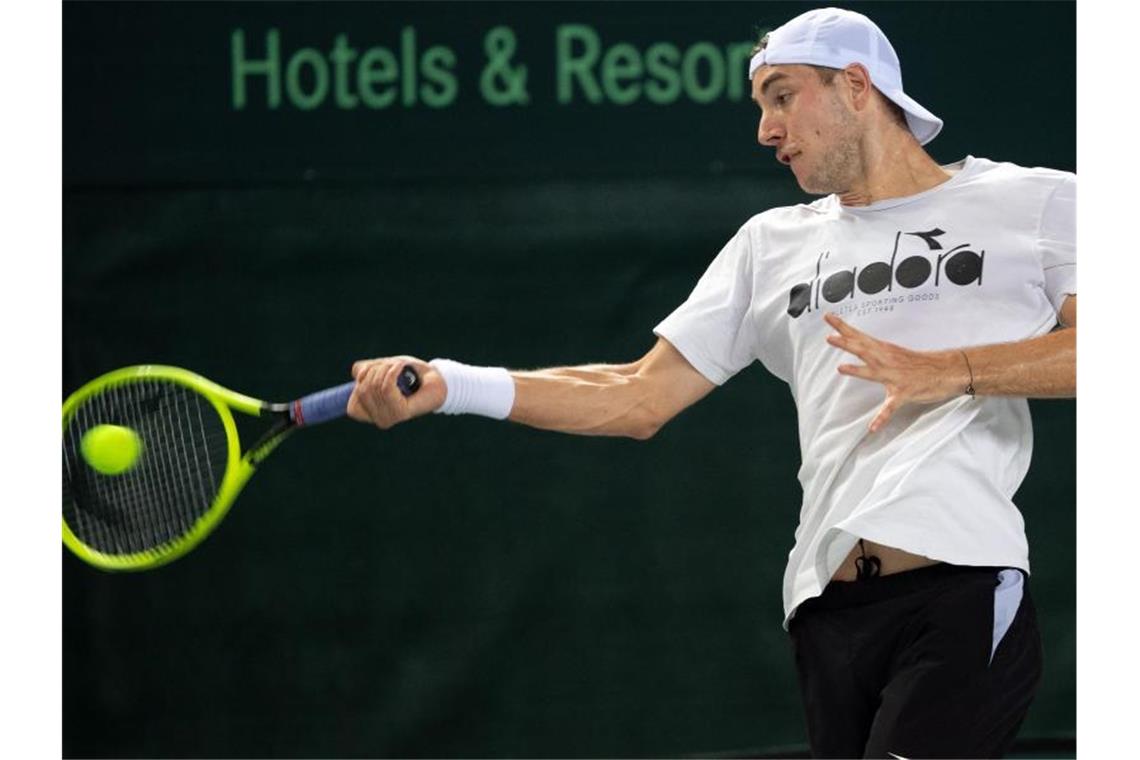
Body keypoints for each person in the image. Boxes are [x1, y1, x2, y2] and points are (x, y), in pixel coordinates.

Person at [346, 7, 1075, 758]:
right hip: (826, 610)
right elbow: (637, 395)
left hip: (959, 590)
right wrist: (453, 384)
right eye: (760, 105)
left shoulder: (1035, 203)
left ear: (856, 86)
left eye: (782, 96)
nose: (765, 129)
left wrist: (950, 371)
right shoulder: (770, 244)